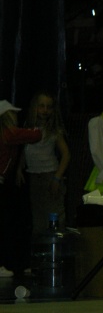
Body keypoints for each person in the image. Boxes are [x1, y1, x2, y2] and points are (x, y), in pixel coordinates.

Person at [19, 90, 70, 240]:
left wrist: (57, 178)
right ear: (34, 107)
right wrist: (19, 168)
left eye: (49, 107)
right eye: (41, 106)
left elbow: (66, 154)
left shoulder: (54, 130)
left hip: (50, 175)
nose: (45, 110)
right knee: (38, 217)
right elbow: (25, 150)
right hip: (34, 176)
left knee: (55, 215)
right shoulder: (27, 127)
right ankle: (40, 249)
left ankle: (57, 247)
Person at [0, 100, 42, 277]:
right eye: (13, 113)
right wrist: (36, 126)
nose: (16, 115)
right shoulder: (9, 133)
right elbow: (36, 135)